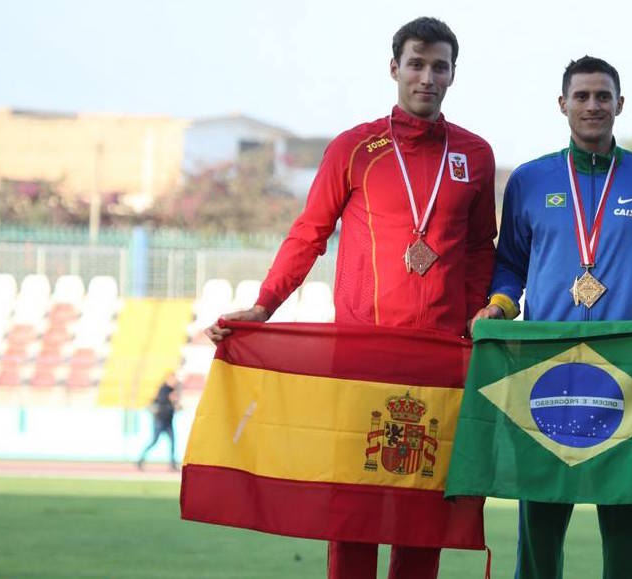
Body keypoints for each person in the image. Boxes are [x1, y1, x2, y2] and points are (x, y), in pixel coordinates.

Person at [204, 16, 497, 579]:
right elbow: (309, 233)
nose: (427, 77)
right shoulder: (355, 148)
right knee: (354, 514)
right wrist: (264, 305)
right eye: (416, 63)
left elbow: (482, 248)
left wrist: (473, 317)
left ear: (454, 74)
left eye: (440, 66)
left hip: (439, 359)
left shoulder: (475, 155)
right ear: (394, 69)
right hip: (361, 354)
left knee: (423, 515)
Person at [473, 56, 632, 579]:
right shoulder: (528, 179)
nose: (593, 106)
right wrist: (499, 306)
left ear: (620, 105)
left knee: (628, 519)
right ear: (562, 104)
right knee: (540, 519)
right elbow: (510, 267)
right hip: (547, 370)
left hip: (629, 374)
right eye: (582, 96)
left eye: (603, 96)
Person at [136, 372, 180, 471]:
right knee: (154, 441)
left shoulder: (173, 390)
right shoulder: (163, 389)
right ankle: (140, 460)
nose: (174, 381)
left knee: (173, 442)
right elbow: (160, 400)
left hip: (168, 421)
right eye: (172, 379)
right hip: (160, 421)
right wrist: (170, 398)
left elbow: (174, 405)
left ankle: (172, 464)